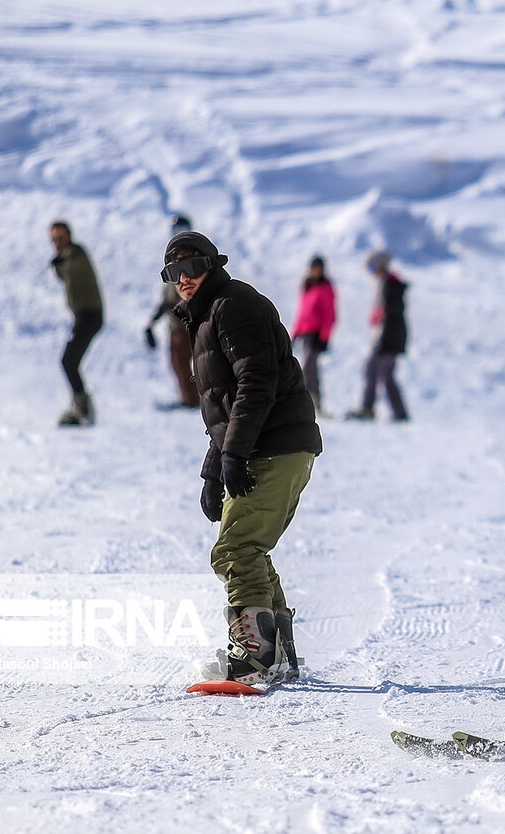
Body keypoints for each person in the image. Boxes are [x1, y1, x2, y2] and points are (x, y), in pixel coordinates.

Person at [165, 230, 323, 685]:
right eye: (174, 272)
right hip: (268, 446)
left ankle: (254, 658)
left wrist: (233, 454)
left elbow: (256, 384)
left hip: (274, 445)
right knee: (247, 547)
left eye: (192, 267)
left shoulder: (234, 305)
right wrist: (214, 470)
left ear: (212, 266)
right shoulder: (209, 316)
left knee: (237, 549)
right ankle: (278, 655)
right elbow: (223, 405)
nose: (184, 279)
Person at [48, 221, 104, 427]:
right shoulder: (67, 256)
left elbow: (72, 263)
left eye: (60, 238)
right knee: (69, 361)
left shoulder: (77, 253)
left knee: (68, 361)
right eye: (54, 239)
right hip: (83, 316)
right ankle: (80, 406)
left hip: (90, 316)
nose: (57, 243)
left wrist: (60, 262)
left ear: (70, 236)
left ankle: (83, 408)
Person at [345, 250, 409, 422]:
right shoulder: (385, 283)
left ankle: (373, 409)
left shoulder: (390, 284)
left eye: (373, 267)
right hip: (386, 338)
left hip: (388, 339)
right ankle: (393, 412)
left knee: (378, 372)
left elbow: (391, 313)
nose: (372, 272)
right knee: (380, 373)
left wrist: (381, 320)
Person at [145, 214, 199, 409]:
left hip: (188, 324)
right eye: (176, 232)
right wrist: (152, 322)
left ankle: (195, 399)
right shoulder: (173, 263)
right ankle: (191, 398)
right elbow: (167, 298)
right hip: (176, 325)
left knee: (190, 363)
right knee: (178, 363)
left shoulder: (194, 259)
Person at [291, 255, 337, 415]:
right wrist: (295, 332)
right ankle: (310, 400)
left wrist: (325, 336)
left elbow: (329, 313)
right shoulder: (307, 286)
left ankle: (311, 400)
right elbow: (302, 312)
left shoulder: (325, 287)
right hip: (305, 332)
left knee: (309, 367)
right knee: (310, 368)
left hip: (316, 334)